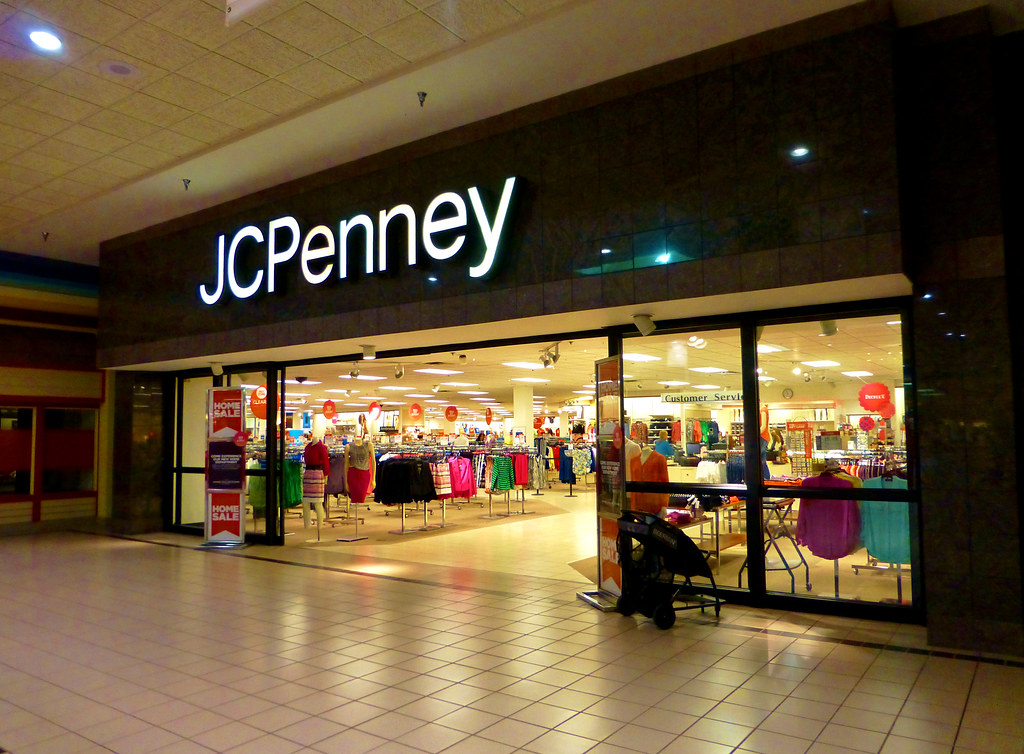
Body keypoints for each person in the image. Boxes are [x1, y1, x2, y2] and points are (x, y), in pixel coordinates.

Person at [302, 433, 330, 540]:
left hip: (318, 474)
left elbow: (326, 463)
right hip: (308, 474)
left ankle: (320, 527)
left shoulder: (322, 448)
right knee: (305, 501)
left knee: (318, 502)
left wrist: (326, 475)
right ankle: (307, 526)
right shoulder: (308, 446)